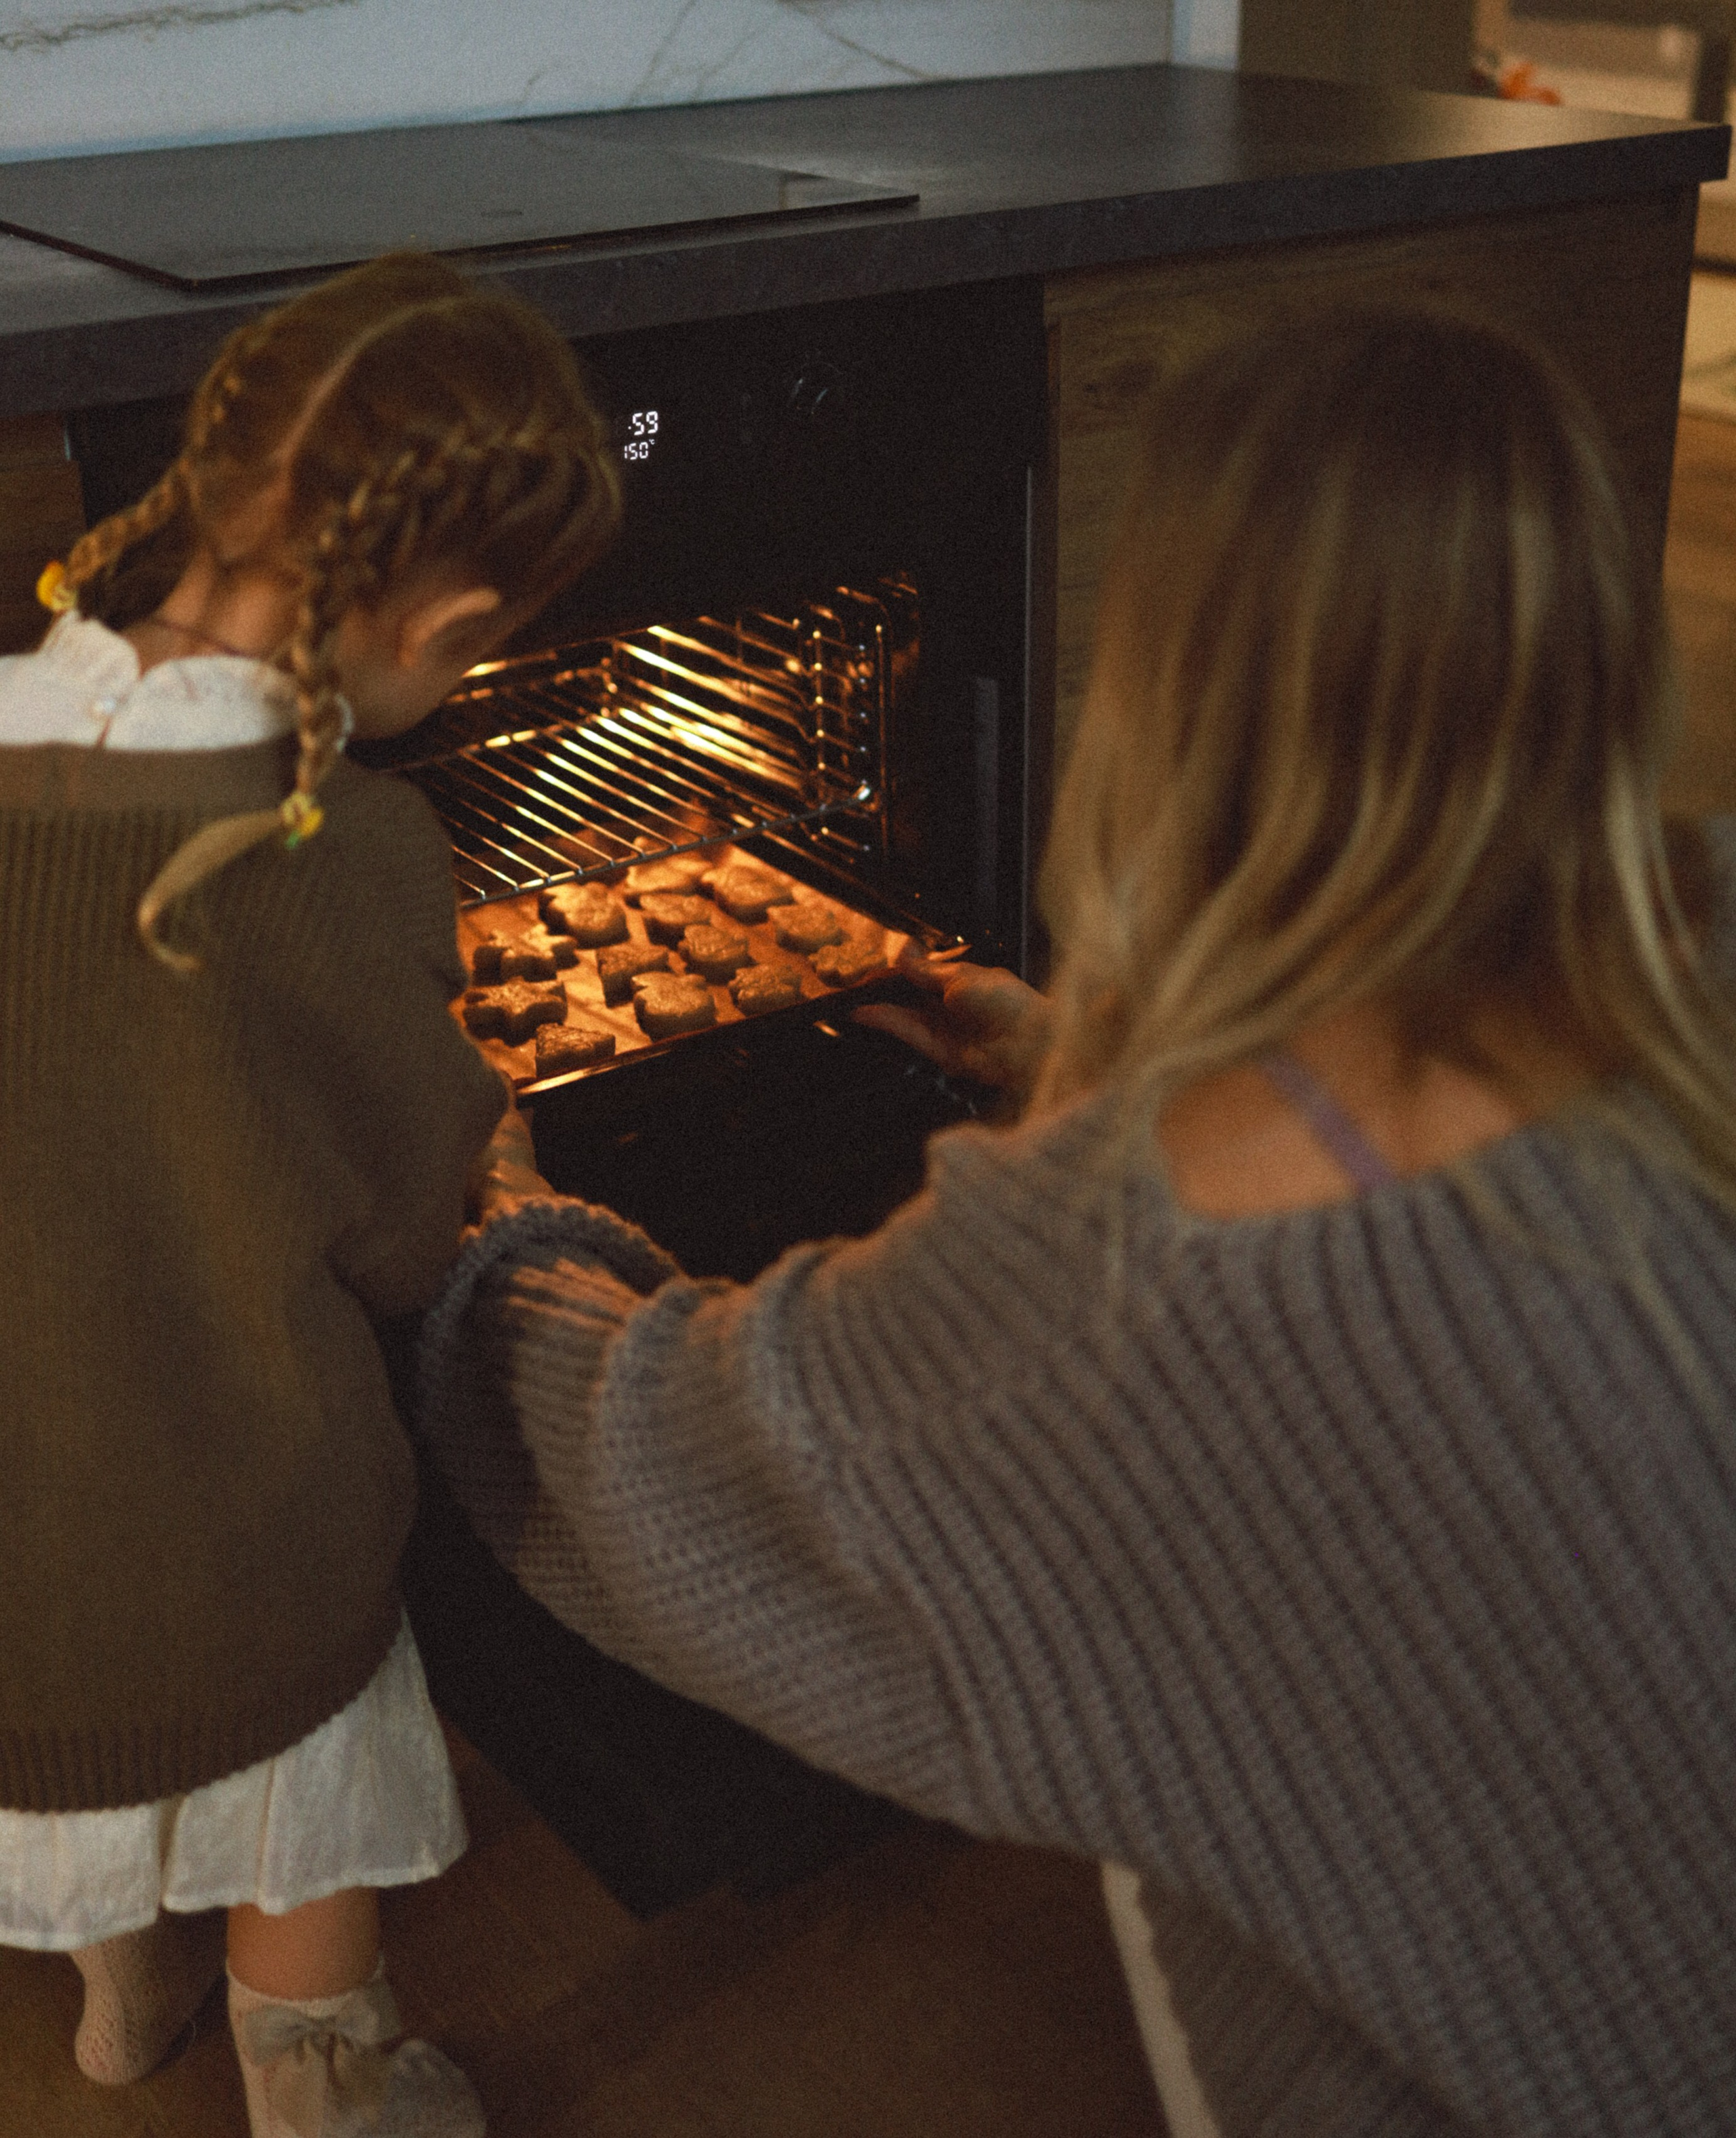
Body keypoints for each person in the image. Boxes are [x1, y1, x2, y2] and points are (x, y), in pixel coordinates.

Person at [417, 299, 1736, 2138]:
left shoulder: (1113, 1286)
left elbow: (673, 1477)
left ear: (1173, 706)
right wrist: (1071, 1060)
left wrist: (494, 1212)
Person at [0, 252, 618, 2137]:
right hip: (239, 1545)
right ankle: (324, 2083)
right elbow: (401, 1234)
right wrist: (491, 1161)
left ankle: (125, 1998)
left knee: (74, 1737)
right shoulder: (340, 847)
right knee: (297, 1797)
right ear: (444, 620)